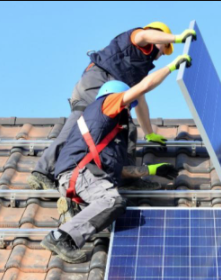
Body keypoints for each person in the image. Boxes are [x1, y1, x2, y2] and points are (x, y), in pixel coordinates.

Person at [40, 54, 192, 264]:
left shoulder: (112, 134)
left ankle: (73, 216)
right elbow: (142, 87)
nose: (129, 110)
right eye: (129, 104)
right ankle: (61, 237)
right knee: (111, 200)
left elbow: (119, 170)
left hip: (85, 177)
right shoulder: (106, 104)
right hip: (80, 174)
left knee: (114, 208)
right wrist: (171, 67)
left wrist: (152, 170)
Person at [27, 22, 196, 190]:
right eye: (165, 48)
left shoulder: (140, 68)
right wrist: (177, 38)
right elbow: (145, 36)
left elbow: (140, 99)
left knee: (127, 129)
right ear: (158, 37)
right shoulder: (136, 37)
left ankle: (130, 179)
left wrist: (149, 133)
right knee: (83, 124)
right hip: (97, 81)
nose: (162, 54)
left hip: (109, 88)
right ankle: (42, 172)